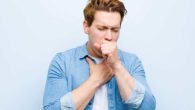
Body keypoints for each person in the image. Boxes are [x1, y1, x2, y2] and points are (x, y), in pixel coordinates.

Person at [43, 0, 156, 110]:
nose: (109, 37)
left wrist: (117, 66)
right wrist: (96, 80)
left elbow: (149, 107)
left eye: (115, 30)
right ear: (86, 26)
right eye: (102, 28)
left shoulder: (132, 62)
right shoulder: (62, 62)